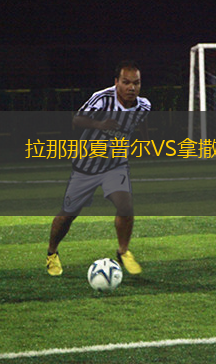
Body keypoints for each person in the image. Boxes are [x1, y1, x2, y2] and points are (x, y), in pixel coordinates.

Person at [46, 60, 150, 276]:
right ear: (116, 82)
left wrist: (144, 140)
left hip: (116, 165)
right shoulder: (102, 99)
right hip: (87, 165)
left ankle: (123, 251)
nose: (132, 87)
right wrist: (99, 124)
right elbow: (77, 119)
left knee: (125, 206)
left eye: (136, 83)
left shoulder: (144, 106)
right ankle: (52, 253)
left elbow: (139, 121)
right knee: (68, 214)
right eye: (126, 82)